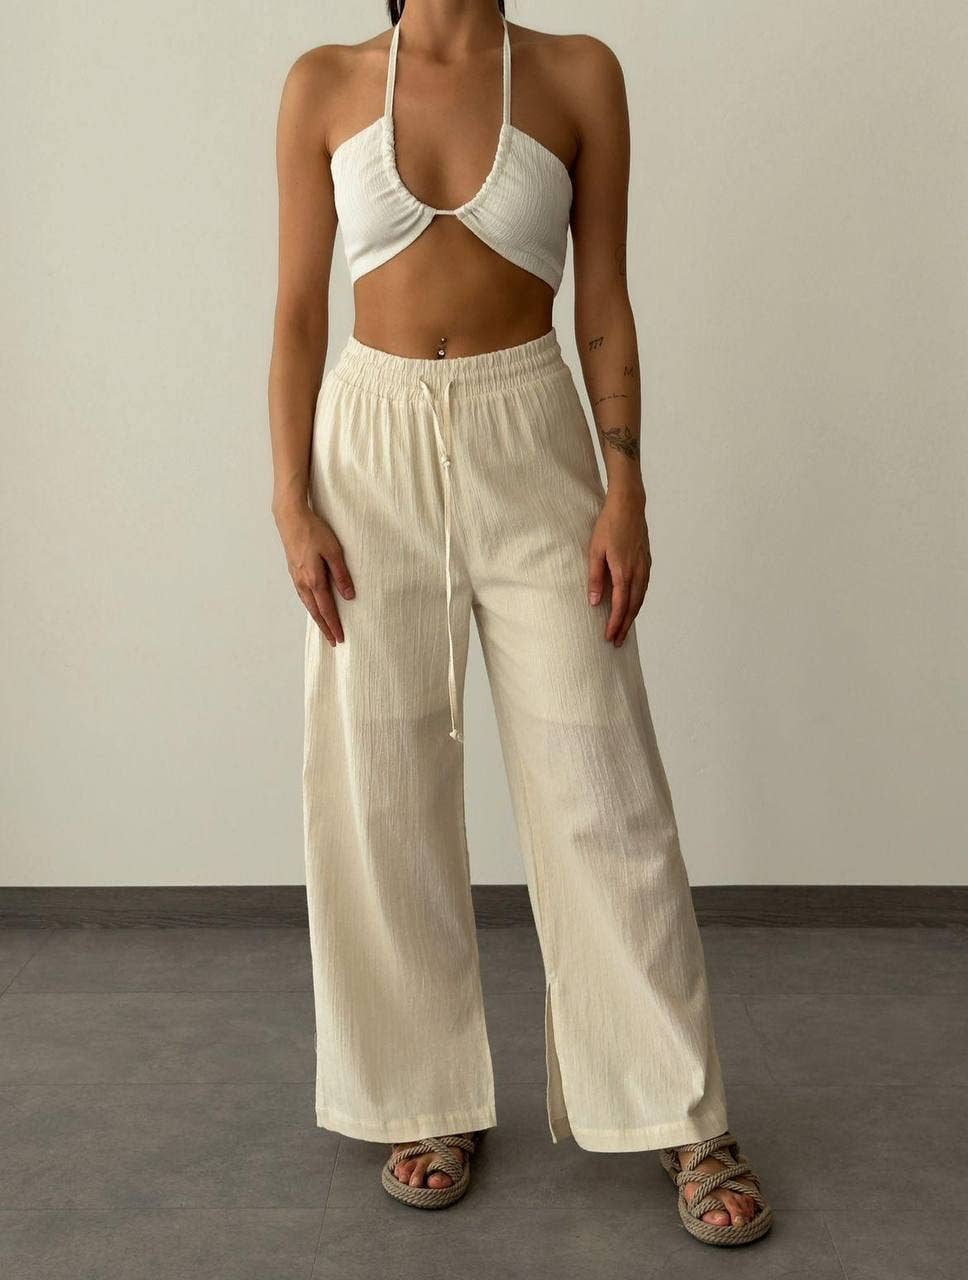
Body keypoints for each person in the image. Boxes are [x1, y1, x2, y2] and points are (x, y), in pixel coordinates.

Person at [267, 0, 773, 1246]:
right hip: (369, 446)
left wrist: (625, 485)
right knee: (380, 781)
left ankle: (677, 1108)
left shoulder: (577, 73)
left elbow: (601, 300)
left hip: (531, 432)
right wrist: (290, 498)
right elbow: (297, 312)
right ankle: (421, 1096)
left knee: (601, 783)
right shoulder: (323, 82)